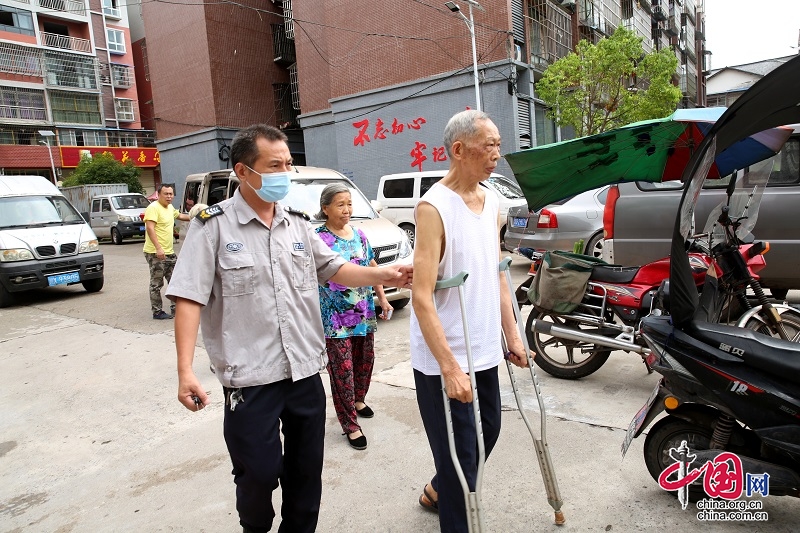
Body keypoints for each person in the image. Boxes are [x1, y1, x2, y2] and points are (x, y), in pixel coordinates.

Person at [165, 124, 412, 533]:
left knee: (305, 476)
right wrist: (185, 370)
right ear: (244, 172)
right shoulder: (212, 227)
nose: (285, 173)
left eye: (288, 164)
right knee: (259, 474)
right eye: (275, 165)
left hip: (303, 372)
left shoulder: (298, 224)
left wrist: (384, 273)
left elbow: (333, 268)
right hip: (249, 377)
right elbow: (189, 298)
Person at [411, 110, 531, 533]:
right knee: (462, 457)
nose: (497, 154)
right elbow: (421, 295)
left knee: (488, 433)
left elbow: (496, 270)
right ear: (459, 150)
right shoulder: (433, 207)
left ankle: (439, 487)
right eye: (490, 145)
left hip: (483, 348)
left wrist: (511, 333)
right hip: (445, 354)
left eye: (499, 145)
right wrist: (448, 366)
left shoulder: (493, 200)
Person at [315, 183, 393, 451]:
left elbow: (371, 265)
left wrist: (381, 298)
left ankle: (359, 399)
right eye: (340, 204)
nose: (347, 209)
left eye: (349, 203)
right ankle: (349, 424)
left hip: (362, 313)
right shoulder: (318, 238)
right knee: (342, 371)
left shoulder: (359, 235)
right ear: (325, 208)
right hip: (334, 319)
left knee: (364, 362)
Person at [143, 183, 189, 320]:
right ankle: (157, 311)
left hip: (169, 252)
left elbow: (181, 216)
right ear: (159, 194)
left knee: (175, 280)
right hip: (155, 252)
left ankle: (176, 309)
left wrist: (200, 215)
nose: (169, 196)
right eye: (166, 194)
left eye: (171, 194)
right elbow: (150, 228)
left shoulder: (169, 208)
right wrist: (158, 248)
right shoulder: (153, 208)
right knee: (157, 283)